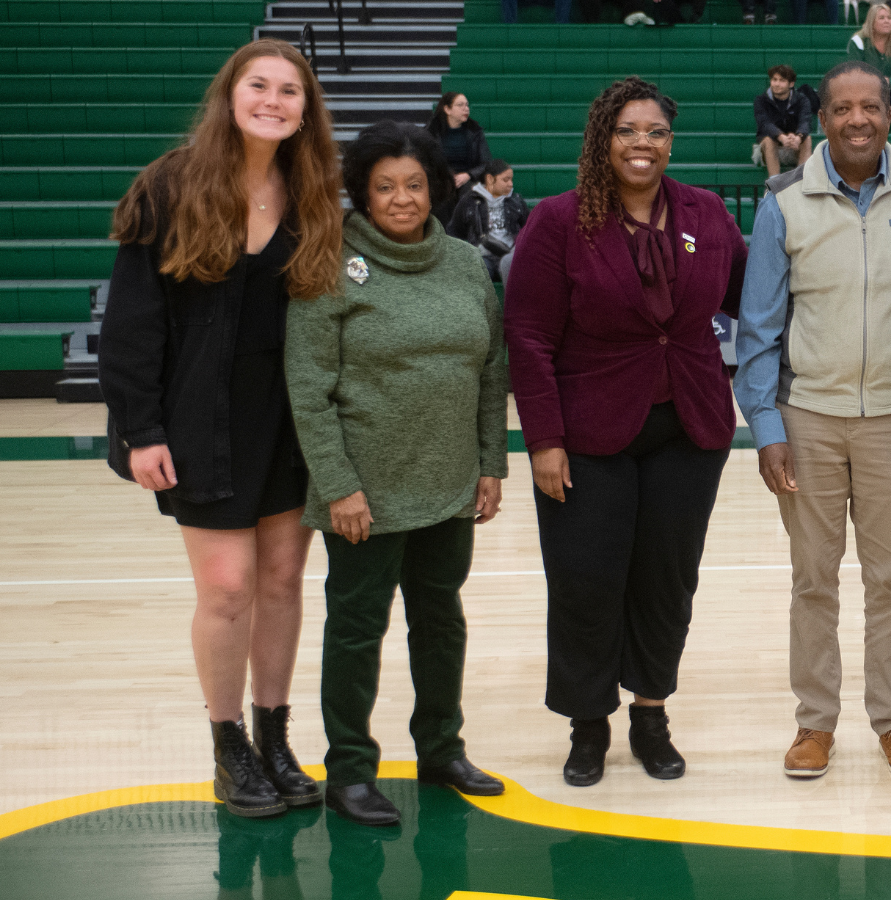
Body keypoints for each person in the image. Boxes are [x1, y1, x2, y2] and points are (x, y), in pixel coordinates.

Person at [98, 39, 342, 821]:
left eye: (290, 91)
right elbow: (133, 323)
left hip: (289, 421)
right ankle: (228, 740)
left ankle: (274, 734)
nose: (273, 101)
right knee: (229, 588)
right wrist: (141, 429)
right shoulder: (169, 186)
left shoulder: (312, 193)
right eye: (258, 86)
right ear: (229, 96)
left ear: (307, 109)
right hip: (200, 420)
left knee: (279, 583)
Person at [507, 77, 749, 788]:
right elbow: (526, 335)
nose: (643, 144)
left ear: (670, 143)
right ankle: (588, 723)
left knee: (666, 580)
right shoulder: (558, 221)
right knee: (586, 582)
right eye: (627, 131)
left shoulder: (706, 212)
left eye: (656, 133)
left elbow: (753, 300)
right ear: (602, 140)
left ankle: (651, 713)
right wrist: (542, 439)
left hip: (691, 426)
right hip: (586, 433)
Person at [734, 60, 891, 782]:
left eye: (871, 107)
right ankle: (814, 724)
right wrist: (766, 428)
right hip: (809, 422)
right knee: (814, 579)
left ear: (888, 115)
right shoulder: (784, 203)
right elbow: (759, 329)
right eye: (842, 109)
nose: (858, 119)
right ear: (822, 118)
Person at [285, 121, 511, 826]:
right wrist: (338, 485)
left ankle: (441, 748)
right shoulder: (329, 263)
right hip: (364, 493)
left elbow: (490, 369)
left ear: (436, 188)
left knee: (440, 621)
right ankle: (350, 769)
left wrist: (490, 464)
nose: (402, 198)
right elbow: (307, 387)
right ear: (362, 191)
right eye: (385, 186)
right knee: (357, 627)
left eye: (415, 184)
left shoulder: (466, 263)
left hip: (450, 482)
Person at [446, 158, 529, 282]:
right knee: (477, 268)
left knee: (513, 265)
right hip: (483, 256)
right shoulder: (469, 201)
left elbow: (529, 229)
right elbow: (453, 232)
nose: (510, 184)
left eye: (511, 179)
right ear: (490, 179)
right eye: (505, 180)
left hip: (510, 255)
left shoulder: (516, 200)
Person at [848, 4, 891, 134]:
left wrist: (890, 82)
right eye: (881, 18)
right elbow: (855, 72)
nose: (887, 21)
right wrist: (877, 82)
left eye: (889, 18)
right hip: (867, 91)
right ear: (872, 22)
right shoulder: (858, 42)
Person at [755, 65, 815, 178]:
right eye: (774, 80)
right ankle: (774, 184)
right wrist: (780, 136)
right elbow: (764, 123)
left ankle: (802, 180)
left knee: (807, 138)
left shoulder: (802, 100)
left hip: (793, 147)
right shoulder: (761, 100)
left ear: (791, 84)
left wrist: (798, 137)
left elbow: (805, 121)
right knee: (769, 139)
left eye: (782, 80)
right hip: (766, 150)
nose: (776, 84)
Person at [425, 93, 492, 192]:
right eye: (460, 105)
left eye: (467, 105)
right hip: (440, 180)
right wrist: (446, 176)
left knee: (469, 193)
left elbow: (486, 163)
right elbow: (425, 162)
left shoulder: (475, 132)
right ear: (447, 109)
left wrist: (468, 175)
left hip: (468, 180)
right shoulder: (431, 132)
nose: (466, 109)